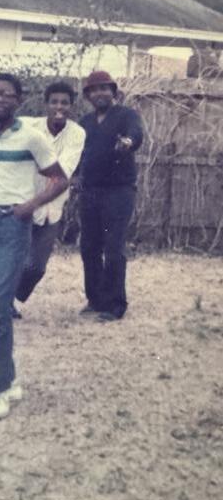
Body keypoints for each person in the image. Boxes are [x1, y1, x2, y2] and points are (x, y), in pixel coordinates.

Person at [0, 72, 68, 420]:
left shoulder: (32, 136)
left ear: (18, 101)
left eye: (7, 95)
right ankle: (5, 379)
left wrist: (30, 205)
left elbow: (60, 179)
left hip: (14, 226)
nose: (0, 99)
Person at [13, 81, 85, 315]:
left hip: (51, 206)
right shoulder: (28, 126)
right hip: (21, 200)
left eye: (64, 102)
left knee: (36, 267)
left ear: (71, 106)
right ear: (46, 104)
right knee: (13, 258)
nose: (59, 107)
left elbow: (62, 173)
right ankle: (3, 302)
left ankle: (11, 296)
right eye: (54, 102)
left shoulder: (76, 133)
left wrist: (37, 164)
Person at [78, 70, 143, 322]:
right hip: (90, 191)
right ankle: (95, 300)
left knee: (114, 248)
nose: (99, 93)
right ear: (88, 95)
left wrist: (128, 142)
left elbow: (135, 134)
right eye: (94, 90)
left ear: (113, 92)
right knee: (89, 247)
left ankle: (115, 305)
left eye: (104, 88)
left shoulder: (126, 115)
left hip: (119, 191)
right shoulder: (84, 123)